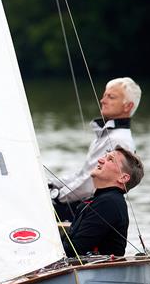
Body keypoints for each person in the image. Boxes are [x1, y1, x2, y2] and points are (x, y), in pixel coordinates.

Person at [50, 77, 141, 221]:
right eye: (104, 95)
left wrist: (57, 196)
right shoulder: (106, 134)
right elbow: (82, 174)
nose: (102, 101)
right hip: (79, 205)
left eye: (111, 97)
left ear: (127, 106)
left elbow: (89, 184)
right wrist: (51, 183)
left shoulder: (119, 139)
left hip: (87, 210)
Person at [62, 146, 144, 258]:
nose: (100, 160)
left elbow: (75, 250)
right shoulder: (101, 199)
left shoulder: (109, 202)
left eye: (110, 159)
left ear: (123, 178)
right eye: (105, 157)